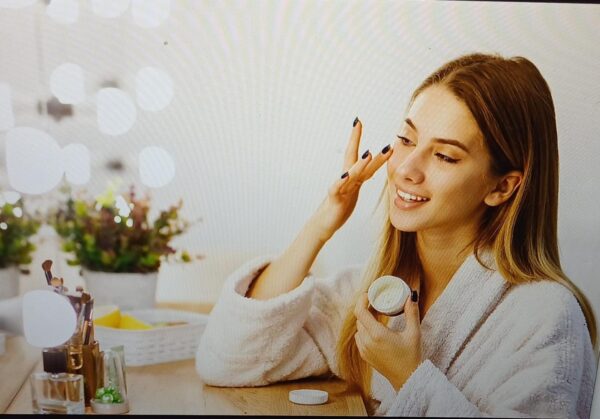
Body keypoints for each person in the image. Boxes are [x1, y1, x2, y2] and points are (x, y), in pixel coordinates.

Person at [195, 53, 597, 417]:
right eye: (406, 139)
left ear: (503, 187)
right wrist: (323, 222)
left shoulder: (545, 316)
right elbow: (229, 359)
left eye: (444, 155)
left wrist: (410, 379)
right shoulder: (373, 294)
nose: (407, 168)